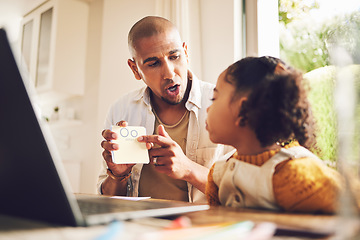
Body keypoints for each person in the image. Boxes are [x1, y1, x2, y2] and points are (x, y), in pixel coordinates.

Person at [98, 16, 233, 203]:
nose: (169, 73)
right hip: (140, 227)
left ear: (186, 53)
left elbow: (243, 193)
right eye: (153, 63)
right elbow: (109, 202)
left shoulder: (221, 104)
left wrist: (188, 169)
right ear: (135, 69)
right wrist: (117, 175)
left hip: (202, 227)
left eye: (174, 56)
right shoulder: (121, 110)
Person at [205, 56, 343, 213]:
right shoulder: (217, 175)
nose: (208, 109)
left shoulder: (296, 175)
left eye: (214, 98)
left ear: (243, 110)